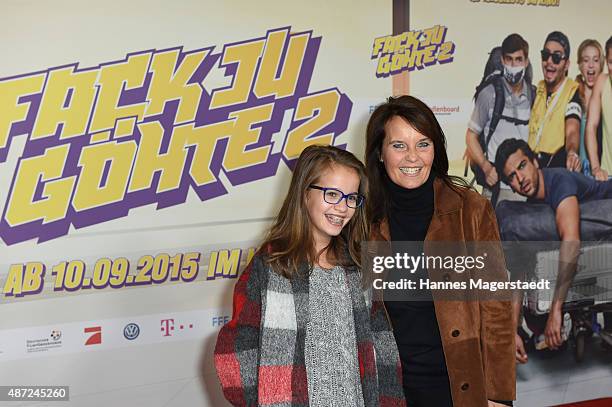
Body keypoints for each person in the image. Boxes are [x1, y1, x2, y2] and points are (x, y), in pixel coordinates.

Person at [214, 145, 406, 406]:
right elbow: (235, 347)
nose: (342, 208)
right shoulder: (271, 265)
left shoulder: (358, 265)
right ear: (305, 193)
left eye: (351, 198)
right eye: (331, 194)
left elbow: (381, 341)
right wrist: (261, 399)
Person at [366, 95, 515, 407]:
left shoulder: (471, 210)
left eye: (423, 144)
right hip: (389, 391)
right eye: (398, 145)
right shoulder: (362, 219)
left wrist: (498, 395)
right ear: (379, 153)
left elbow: (497, 311)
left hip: (459, 388)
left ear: (436, 149)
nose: (412, 157)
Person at [495, 138, 612, 352]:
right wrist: (512, 329)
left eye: (522, 166)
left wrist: (555, 311)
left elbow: (571, 241)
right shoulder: (533, 207)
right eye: (512, 176)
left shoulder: (559, 181)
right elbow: (519, 269)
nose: (520, 179)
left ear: (535, 162)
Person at [466, 33, 534, 203]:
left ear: (526, 61)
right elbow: (471, 136)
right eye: (509, 59)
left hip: (526, 188)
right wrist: (485, 166)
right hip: (496, 189)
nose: (513, 65)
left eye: (518, 59)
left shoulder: (535, 95)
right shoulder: (489, 94)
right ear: (503, 61)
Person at [528, 31, 582, 171]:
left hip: (555, 172)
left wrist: (572, 152)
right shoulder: (536, 90)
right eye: (545, 55)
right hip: (532, 172)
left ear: (567, 64)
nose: (549, 62)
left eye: (556, 57)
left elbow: (572, 130)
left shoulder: (573, 91)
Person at [575, 39, 604, 174]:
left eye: (596, 60)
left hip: (600, 170)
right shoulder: (572, 94)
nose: (591, 65)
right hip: (576, 171)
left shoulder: (606, 97)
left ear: (602, 64)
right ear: (580, 65)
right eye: (586, 60)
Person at [585, 36, 612, 181]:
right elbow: (591, 127)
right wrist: (595, 167)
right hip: (607, 176)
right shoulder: (602, 81)